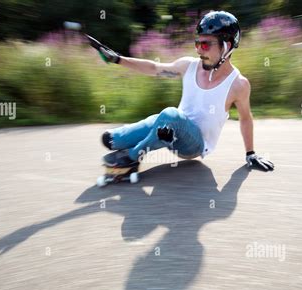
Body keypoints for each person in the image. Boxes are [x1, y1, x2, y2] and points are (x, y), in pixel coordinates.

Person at [96, 10, 274, 172]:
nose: (198, 50)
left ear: (226, 46)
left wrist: (250, 154)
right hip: (168, 128)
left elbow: (245, 118)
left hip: (194, 146)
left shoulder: (238, 84)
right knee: (111, 139)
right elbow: (154, 68)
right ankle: (144, 141)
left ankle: (132, 158)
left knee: (171, 115)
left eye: (205, 45)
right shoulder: (188, 65)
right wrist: (117, 59)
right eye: (197, 43)